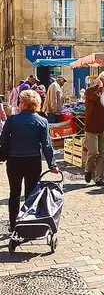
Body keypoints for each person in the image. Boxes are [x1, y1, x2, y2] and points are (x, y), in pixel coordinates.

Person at [0, 90, 58, 231]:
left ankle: (13, 224)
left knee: (14, 192)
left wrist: (2, 157)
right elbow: (46, 145)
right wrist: (52, 164)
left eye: (20, 102)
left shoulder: (12, 120)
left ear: (24, 104)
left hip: (14, 161)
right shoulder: (42, 121)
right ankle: (27, 222)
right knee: (31, 193)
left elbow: (3, 141)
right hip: (33, 160)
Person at [84, 71, 104, 186]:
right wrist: (99, 87)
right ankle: (88, 170)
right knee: (93, 151)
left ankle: (99, 178)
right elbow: (92, 98)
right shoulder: (92, 91)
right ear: (101, 81)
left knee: (103, 152)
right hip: (93, 126)